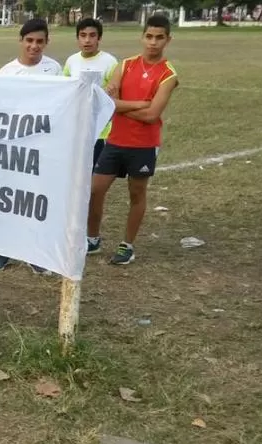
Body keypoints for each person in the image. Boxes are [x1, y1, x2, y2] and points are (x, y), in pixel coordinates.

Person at [87, 14, 178, 265]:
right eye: (149, 36)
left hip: (143, 145)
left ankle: (127, 245)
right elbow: (108, 103)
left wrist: (120, 106)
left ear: (168, 40)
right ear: (142, 37)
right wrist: (139, 103)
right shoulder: (125, 65)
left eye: (159, 37)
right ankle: (92, 239)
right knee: (95, 190)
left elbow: (152, 115)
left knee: (137, 194)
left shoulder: (168, 75)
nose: (153, 42)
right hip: (115, 141)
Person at [0, 18, 62, 274]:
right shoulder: (7, 72)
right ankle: (3, 249)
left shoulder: (54, 69)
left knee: (36, 200)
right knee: (8, 198)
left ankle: (35, 252)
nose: (34, 46)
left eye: (39, 41)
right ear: (20, 41)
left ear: (47, 42)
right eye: (29, 40)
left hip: (42, 147)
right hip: (13, 148)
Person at [63, 18, 118, 174]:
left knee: (94, 176)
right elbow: (65, 91)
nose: (87, 40)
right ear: (77, 38)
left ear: (99, 38)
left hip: (100, 130)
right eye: (83, 35)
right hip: (76, 129)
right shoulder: (71, 61)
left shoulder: (110, 62)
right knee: (75, 173)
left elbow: (115, 96)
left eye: (92, 35)